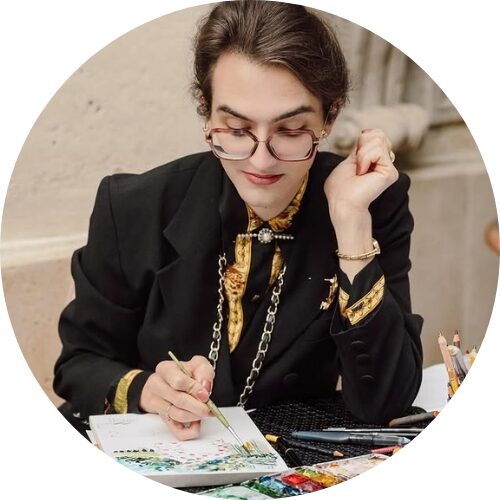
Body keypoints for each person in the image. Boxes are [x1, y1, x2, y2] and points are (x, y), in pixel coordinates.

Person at [54, 0, 423, 441]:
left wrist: (351, 224)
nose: (260, 160)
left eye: (290, 131)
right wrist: (147, 390)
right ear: (205, 109)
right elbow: (79, 364)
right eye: (235, 129)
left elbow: (387, 402)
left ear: (330, 116)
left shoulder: (370, 203)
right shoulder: (134, 207)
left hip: (290, 456)